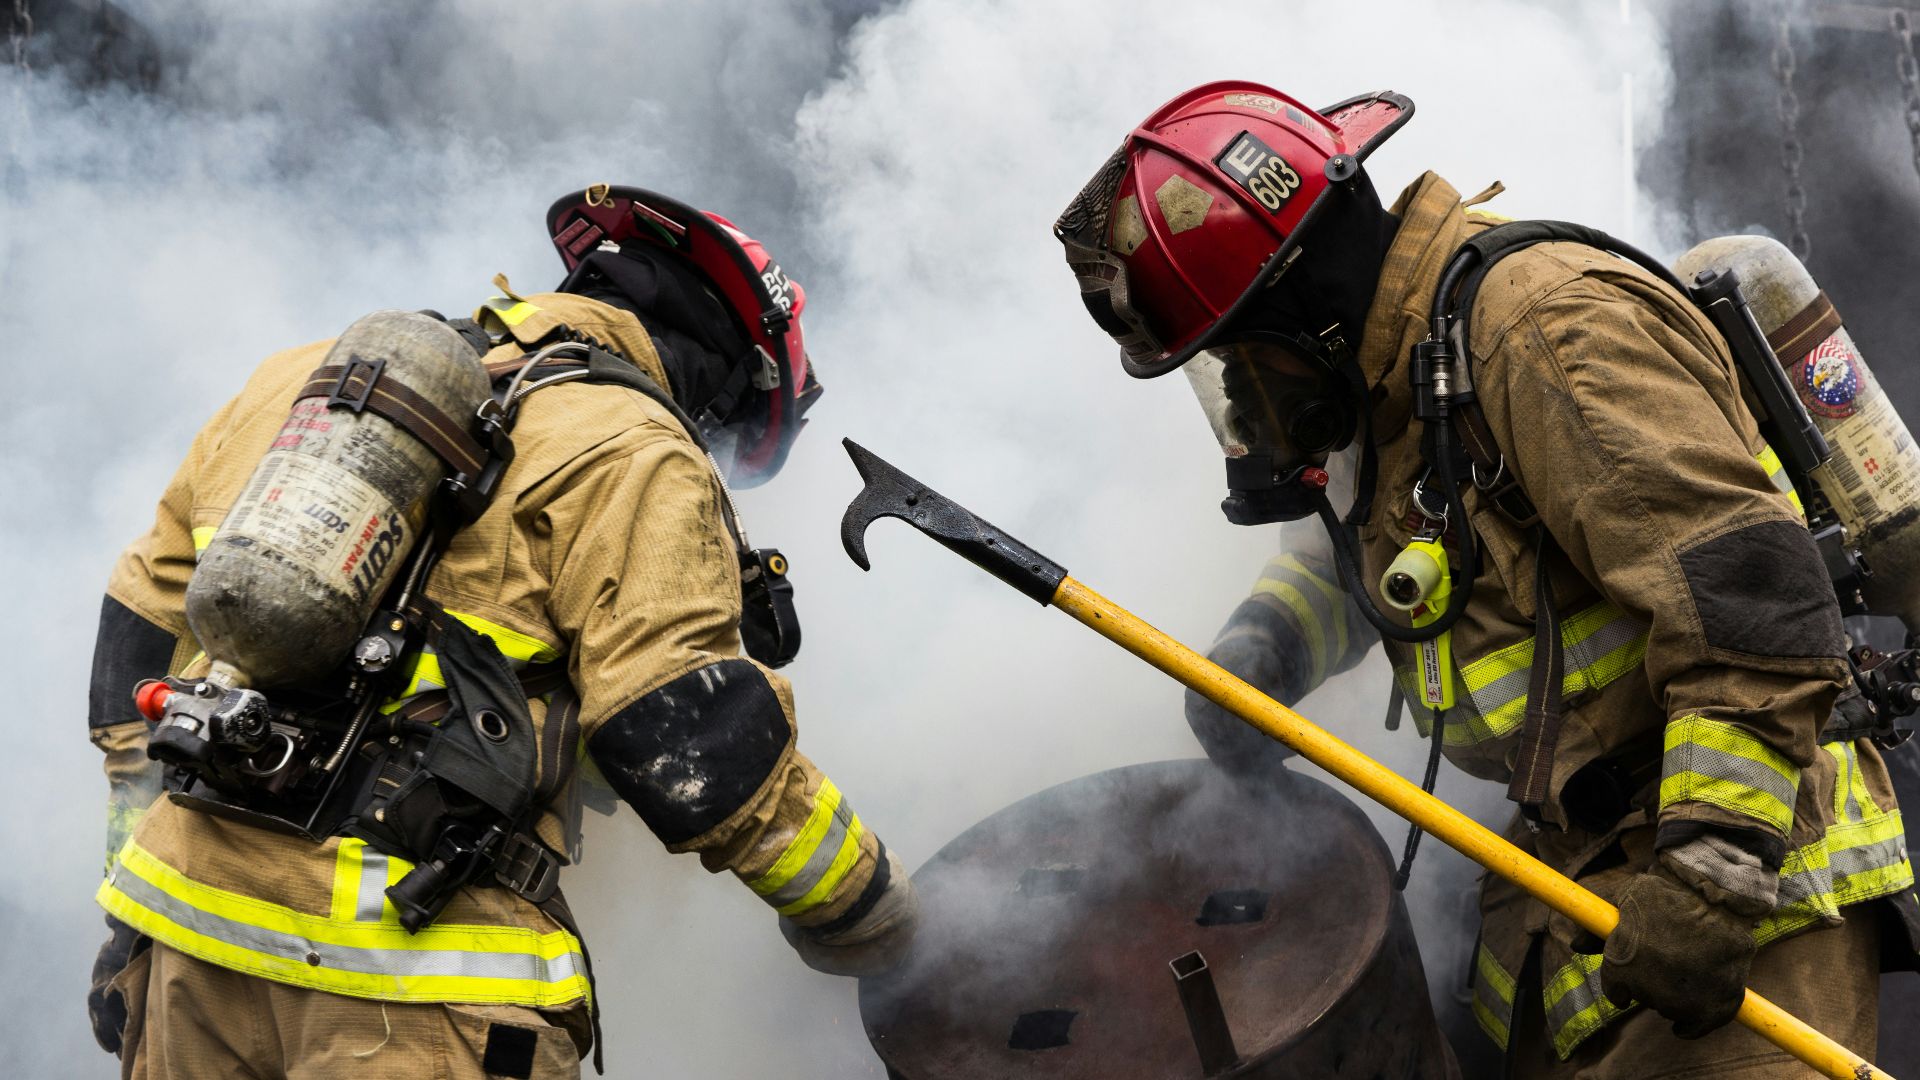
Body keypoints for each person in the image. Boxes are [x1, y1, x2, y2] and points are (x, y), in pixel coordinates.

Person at [1052, 81, 1917, 1077]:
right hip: (1591, 898)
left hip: (1742, 891)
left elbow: (1755, 612)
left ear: (1306, 308)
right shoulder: (1403, 380)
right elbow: (1393, 559)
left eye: (1241, 359)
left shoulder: (1543, 331)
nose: (1244, 402)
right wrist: (1263, 654)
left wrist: (1709, 882)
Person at [85, 184, 917, 1078]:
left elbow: (134, 656)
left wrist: (129, 899)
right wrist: (873, 915)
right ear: (725, 382)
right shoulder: (635, 446)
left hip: (185, 943)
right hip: (415, 987)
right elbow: (686, 740)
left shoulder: (302, 383)